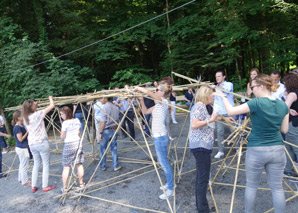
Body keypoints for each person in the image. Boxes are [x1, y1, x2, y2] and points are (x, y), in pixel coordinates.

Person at [214, 74, 289, 213]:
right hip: (277, 150)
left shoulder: (256, 103)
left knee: (252, 186)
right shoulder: (283, 105)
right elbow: (284, 129)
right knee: (277, 188)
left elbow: (231, 111)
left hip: (257, 150)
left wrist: (223, 97)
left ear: (261, 86)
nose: (252, 90)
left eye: (253, 87)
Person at [135, 81, 174, 200]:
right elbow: (145, 111)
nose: (155, 92)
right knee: (165, 162)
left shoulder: (164, 102)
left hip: (161, 137)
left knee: (164, 163)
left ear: (162, 92)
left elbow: (150, 94)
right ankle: (170, 183)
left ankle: (171, 188)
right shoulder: (158, 105)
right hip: (159, 136)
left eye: (157, 90)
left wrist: (140, 88)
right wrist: (141, 100)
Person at [189, 86, 217, 212]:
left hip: (201, 146)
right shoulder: (199, 106)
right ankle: (203, 209)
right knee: (203, 178)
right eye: (212, 95)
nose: (213, 97)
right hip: (201, 146)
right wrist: (210, 119)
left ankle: (201, 205)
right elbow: (194, 124)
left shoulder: (202, 107)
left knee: (201, 177)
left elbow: (205, 120)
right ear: (206, 96)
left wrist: (221, 119)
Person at [22, 97, 56, 193]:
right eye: (33, 104)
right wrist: (50, 98)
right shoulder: (37, 114)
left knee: (36, 164)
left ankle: (34, 185)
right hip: (41, 142)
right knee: (45, 164)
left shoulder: (25, 118)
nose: (36, 104)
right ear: (30, 107)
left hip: (32, 143)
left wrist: (35, 104)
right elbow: (52, 106)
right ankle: (45, 186)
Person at [59, 106, 84, 193]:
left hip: (69, 144)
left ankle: (65, 188)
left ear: (67, 114)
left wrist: (63, 136)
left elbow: (62, 137)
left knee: (66, 167)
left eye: (62, 114)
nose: (61, 116)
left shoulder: (65, 123)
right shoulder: (77, 120)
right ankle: (81, 184)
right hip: (77, 143)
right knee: (79, 164)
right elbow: (79, 132)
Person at [213, 70, 235, 159]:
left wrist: (215, 88)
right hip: (220, 112)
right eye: (216, 76)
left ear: (223, 77)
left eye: (219, 76)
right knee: (219, 132)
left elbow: (226, 92)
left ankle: (237, 149)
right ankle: (220, 151)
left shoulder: (229, 84)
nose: (217, 78)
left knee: (234, 131)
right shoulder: (216, 87)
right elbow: (215, 100)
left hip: (230, 111)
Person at [98, 97, 121, 171]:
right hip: (114, 129)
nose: (100, 100)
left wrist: (100, 132)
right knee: (114, 149)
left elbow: (102, 122)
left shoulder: (104, 107)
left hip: (106, 131)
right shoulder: (115, 107)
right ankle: (115, 166)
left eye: (101, 98)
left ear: (105, 98)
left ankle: (103, 166)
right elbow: (117, 120)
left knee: (103, 149)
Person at [283, 73, 298, 177]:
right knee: (288, 148)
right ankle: (287, 170)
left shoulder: (292, 94)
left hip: (292, 124)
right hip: (295, 124)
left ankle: (288, 170)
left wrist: (288, 109)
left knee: (295, 148)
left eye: (285, 83)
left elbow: (283, 107)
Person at [12, 110, 30, 187]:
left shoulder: (21, 125)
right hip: (22, 148)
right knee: (24, 164)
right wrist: (27, 132)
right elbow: (20, 139)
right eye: (22, 116)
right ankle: (25, 181)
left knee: (22, 163)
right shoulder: (17, 128)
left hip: (23, 147)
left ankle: (21, 178)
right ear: (18, 118)